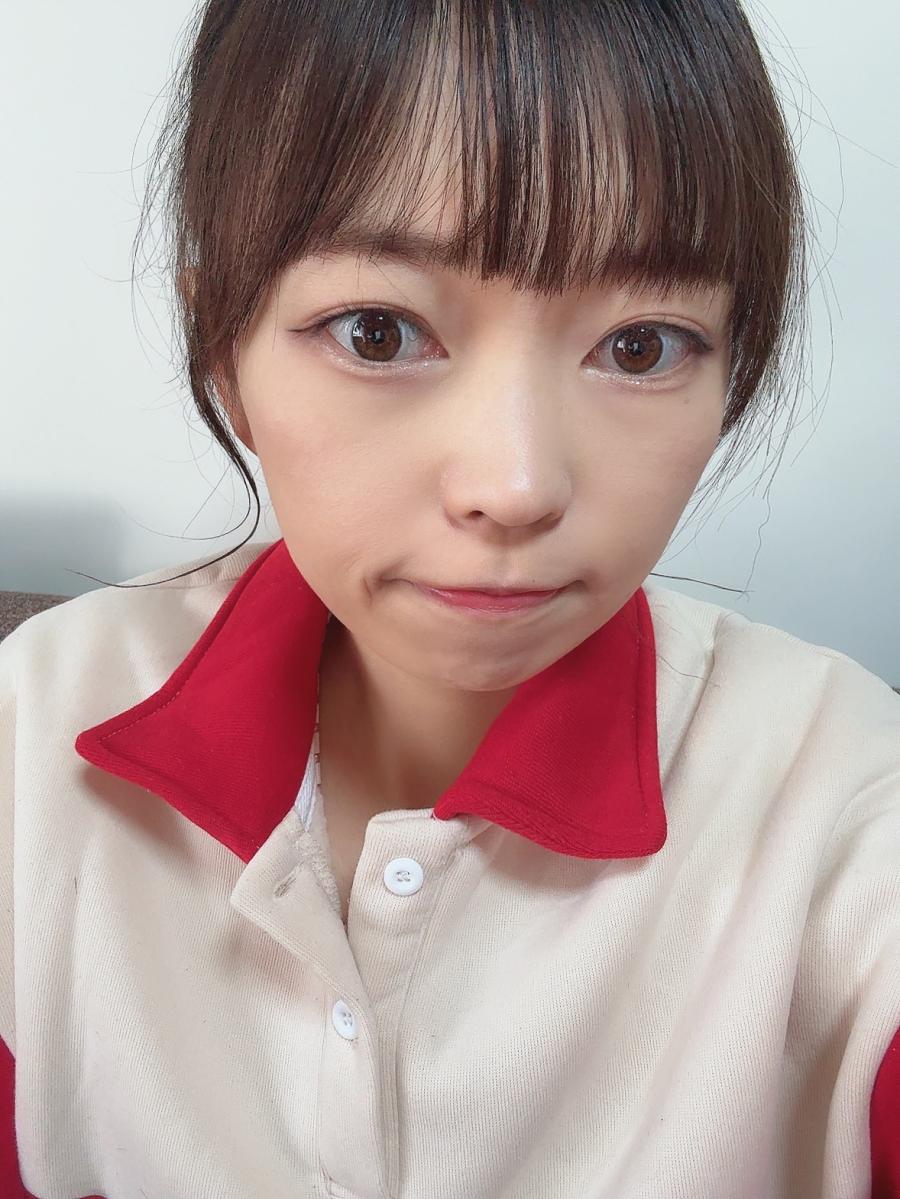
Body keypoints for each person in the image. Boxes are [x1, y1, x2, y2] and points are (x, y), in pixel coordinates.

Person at [1, 0, 898, 1195]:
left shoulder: (839, 800)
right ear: (224, 347)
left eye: (641, 346)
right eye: (378, 332)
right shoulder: (33, 744)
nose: (514, 486)